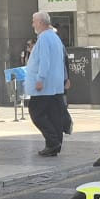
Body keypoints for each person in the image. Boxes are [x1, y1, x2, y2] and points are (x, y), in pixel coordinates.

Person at [25, 10, 70, 157]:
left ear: (40, 23)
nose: (33, 25)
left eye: (34, 22)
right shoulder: (55, 37)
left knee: (36, 112)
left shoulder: (44, 38)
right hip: (55, 85)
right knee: (53, 114)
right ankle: (54, 145)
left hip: (45, 86)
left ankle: (53, 141)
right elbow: (62, 59)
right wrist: (65, 79)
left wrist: (40, 79)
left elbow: (45, 61)